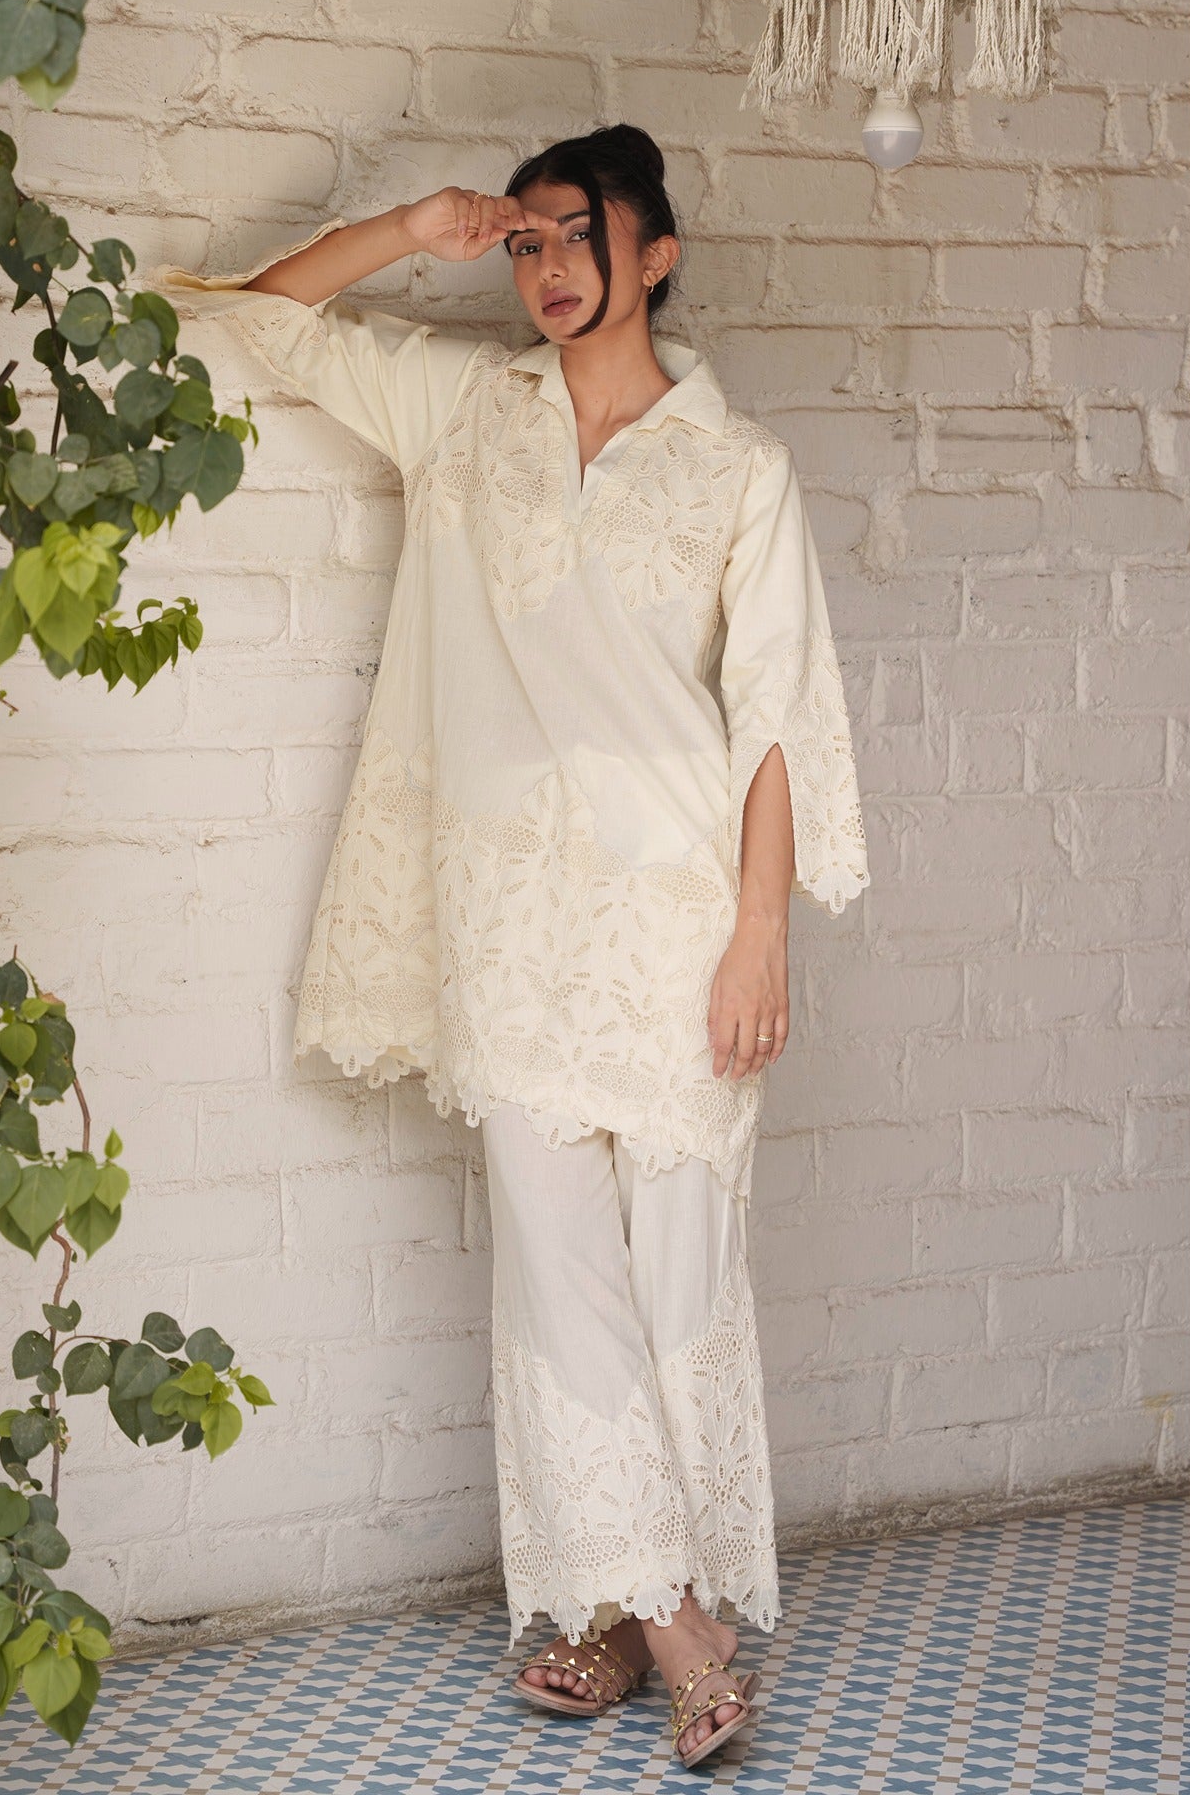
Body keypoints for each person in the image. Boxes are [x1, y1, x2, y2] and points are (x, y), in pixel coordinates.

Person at [154, 124, 869, 1769]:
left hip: (679, 927)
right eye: (525, 241)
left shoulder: (737, 466)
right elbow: (262, 315)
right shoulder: (468, 412)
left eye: (575, 236)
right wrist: (414, 226)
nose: (545, 267)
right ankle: (677, 1630)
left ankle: (612, 1612)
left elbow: (776, 718)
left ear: (654, 256)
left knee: (677, 1275)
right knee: (558, 1277)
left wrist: (761, 934)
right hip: (509, 926)